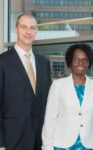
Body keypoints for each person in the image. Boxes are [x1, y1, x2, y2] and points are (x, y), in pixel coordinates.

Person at [42, 43, 93, 150]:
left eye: (85, 60)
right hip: (62, 146)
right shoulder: (58, 85)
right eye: (76, 59)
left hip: (89, 146)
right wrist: (47, 147)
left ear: (89, 62)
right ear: (70, 62)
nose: (81, 63)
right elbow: (50, 120)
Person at [0, 13, 51, 150]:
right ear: (16, 29)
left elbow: (48, 101)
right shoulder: (2, 62)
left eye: (32, 28)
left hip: (40, 140)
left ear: (36, 32)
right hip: (12, 140)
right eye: (24, 27)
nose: (28, 32)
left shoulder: (44, 63)